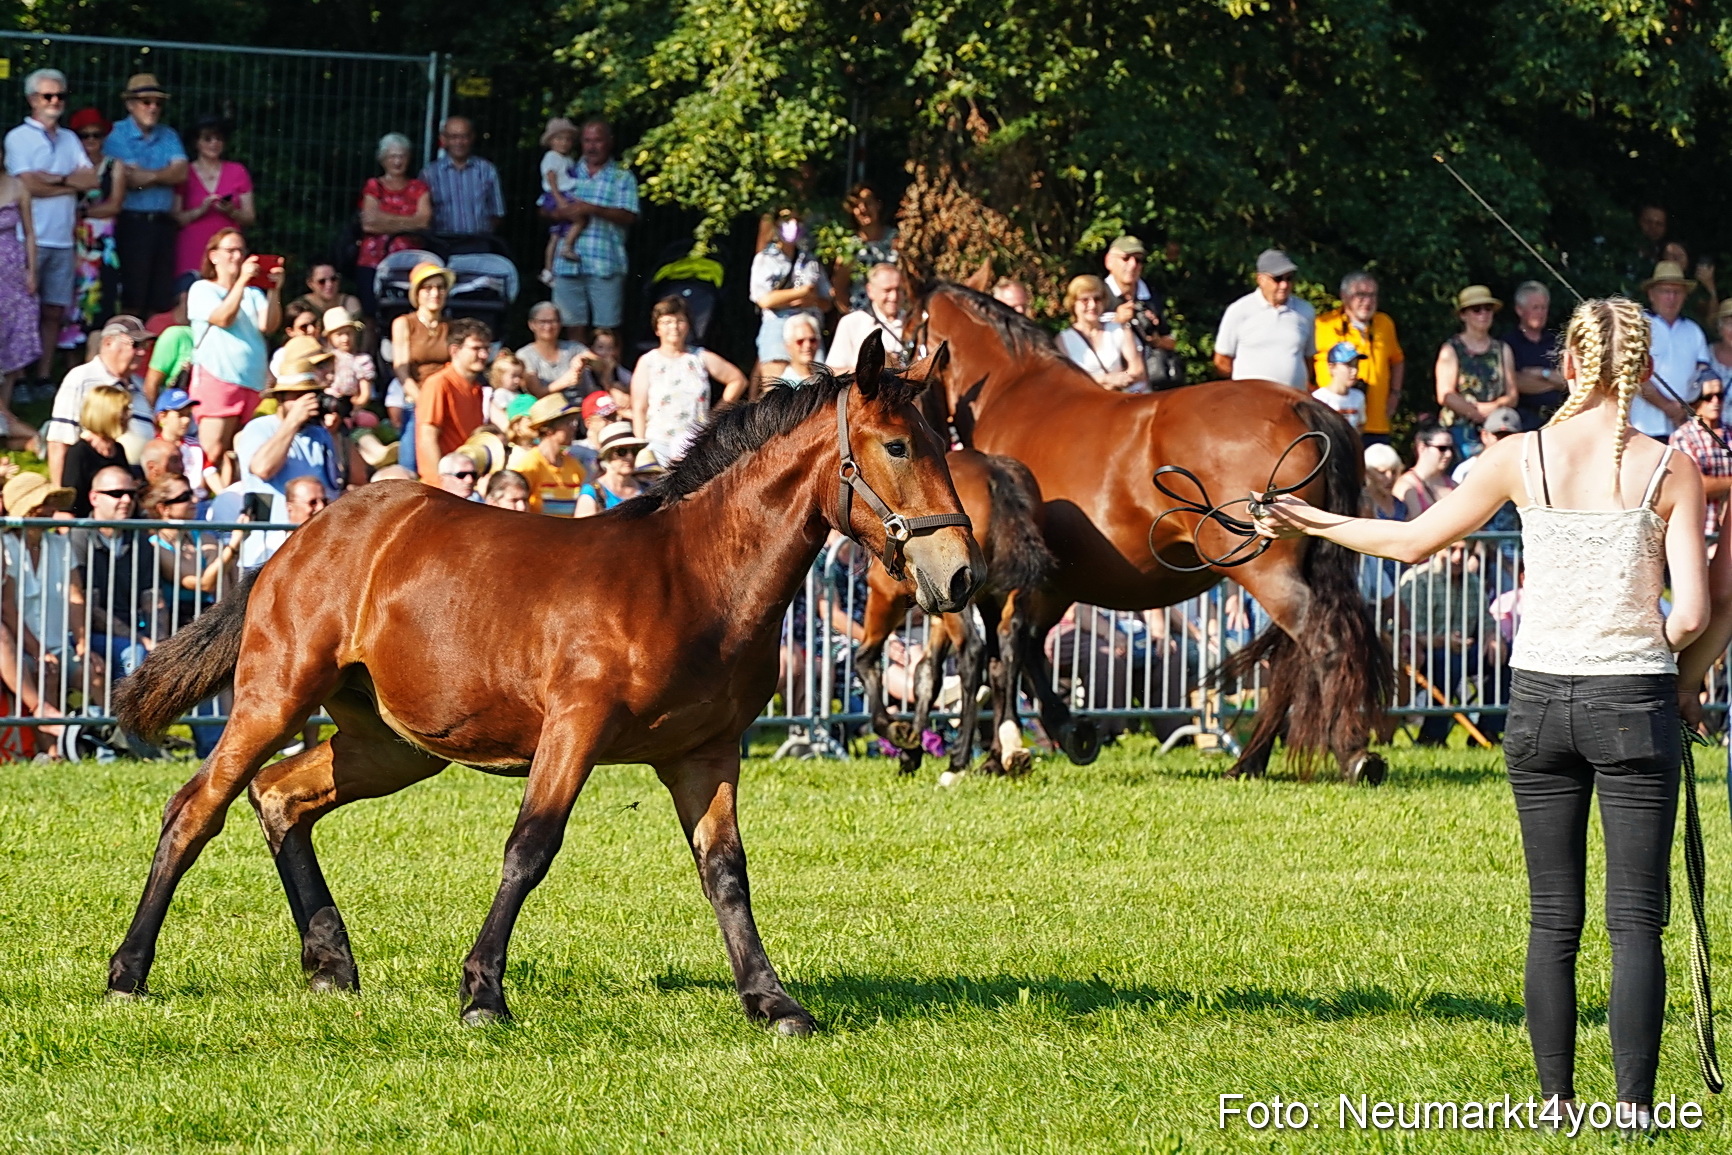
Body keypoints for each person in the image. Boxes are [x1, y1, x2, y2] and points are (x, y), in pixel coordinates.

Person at [1257, 295, 1708, 1132]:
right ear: (1644, 372)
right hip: (1631, 698)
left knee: (1553, 916)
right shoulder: (1669, 465)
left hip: (1538, 701)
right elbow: (1688, 616)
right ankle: (1636, 1113)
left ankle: (1554, 1105)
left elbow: (1409, 542)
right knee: (1636, 919)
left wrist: (1312, 516)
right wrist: (1673, 666)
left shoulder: (1516, 455)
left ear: (1569, 366)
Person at [5, 68, 96, 394]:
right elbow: (26, 185)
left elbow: (91, 180)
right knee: (23, 312)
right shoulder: (18, 137)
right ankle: (17, 380)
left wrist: (52, 179)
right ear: (32, 99)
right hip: (28, 238)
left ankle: (43, 377)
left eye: (60, 95)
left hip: (63, 237)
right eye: (48, 96)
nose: (55, 101)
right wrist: (68, 182)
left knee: (54, 310)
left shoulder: (71, 138)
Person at [232, 338, 339, 567]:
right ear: (280, 398)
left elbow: (341, 483)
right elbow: (262, 468)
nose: (305, 402)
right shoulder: (259, 428)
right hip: (265, 549)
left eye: (310, 395)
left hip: (310, 550)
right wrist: (291, 423)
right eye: (297, 395)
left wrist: (339, 430)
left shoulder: (319, 435)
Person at [189, 228, 281, 485]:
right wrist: (241, 281)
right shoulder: (202, 289)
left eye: (241, 250)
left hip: (251, 382)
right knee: (213, 450)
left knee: (243, 449)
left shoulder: (253, 294)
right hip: (218, 377)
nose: (237, 256)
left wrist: (274, 289)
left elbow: (269, 325)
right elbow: (223, 318)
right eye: (231, 250)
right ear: (214, 256)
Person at [542, 117, 638, 341]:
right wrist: (557, 213)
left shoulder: (621, 176)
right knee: (571, 328)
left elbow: (630, 215)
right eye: (587, 141)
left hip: (605, 262)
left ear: (610, 142)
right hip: (566, 266)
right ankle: (579, 376)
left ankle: (606, 376)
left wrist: (592, 209)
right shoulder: (568, 169)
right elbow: (542, 208)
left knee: (607, 331)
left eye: (598, 141)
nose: (592, 146)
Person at [103, 74, 187, 318]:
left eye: (158, 103)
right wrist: (163, 174)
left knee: (160, 299)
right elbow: (127, 179)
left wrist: (145, 177)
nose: (153, 108)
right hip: (132, 222)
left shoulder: (169, 134)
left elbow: (181, 173)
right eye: (146, 102)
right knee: (132, 295)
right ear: (130, 104)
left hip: (163, 224)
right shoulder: (115, 134)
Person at [630, 296, 747, 463]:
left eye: (679, 321)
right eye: (667, 322)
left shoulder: (699, 357)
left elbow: (737, 380)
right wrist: (640, 448)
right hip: (657, 444)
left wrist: (715, 415)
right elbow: (639, 408)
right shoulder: (648, 362)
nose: (674, 327)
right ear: (657, 328)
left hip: (694, 443)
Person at [45, 315, 156, 484]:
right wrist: (62, 498)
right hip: (94, 480)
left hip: (137, 482)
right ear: (108, 343)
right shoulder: (81, 378)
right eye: (135, 344)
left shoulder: (140, 386)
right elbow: (59, 440)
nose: (142, 352)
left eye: (145, 346)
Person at [70, 464, 153, 678]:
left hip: (134, 633)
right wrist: (142, 640)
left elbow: (153, 598)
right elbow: (91, 609)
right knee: (134, 654)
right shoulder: (78, 537)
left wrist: (160, 641)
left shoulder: (139, 539)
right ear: (94, 498)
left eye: (131, 494)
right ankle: (131, 713)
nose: (126, 500)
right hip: (89, 634)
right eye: (116, 494)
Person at [1311, 271, 1404, 443]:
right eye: (1360, 295)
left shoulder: (1384, 323)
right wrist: (1312, 395)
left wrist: (1395, 395)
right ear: (1344, 296)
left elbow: (1397, 360)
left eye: (1372, 295)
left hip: (1376, 421)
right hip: (1334, 420)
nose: (1367, 301)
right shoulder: (1324, 324)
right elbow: (1305, 361)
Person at [1435, 285, 1519, 458]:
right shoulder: (1451, 349)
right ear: (1463, 315)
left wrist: (1493, 408)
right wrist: (1474, 412)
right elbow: (1445, 394)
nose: (1483, 314)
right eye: (1476, 309)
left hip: (1496, 429)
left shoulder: (1502, 349)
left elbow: (1512, 395)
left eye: (1488, 309)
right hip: (1458, 431)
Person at [1213, 249, 1316, 387]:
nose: (1284, 285)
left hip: (1293, 400)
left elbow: (1308, 358)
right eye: (1277, 279)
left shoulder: (1305, 311)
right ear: (1260, 279)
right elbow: (1222, 362)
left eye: (1289, 278)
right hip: (1250, 400)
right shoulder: (1239, 310)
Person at [67, 107, 124, 350]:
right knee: (72, 306)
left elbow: (115, 205)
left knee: (104, 300)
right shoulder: (69, 165)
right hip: (73, 244)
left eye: (96, 135)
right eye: (84, 135)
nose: (91, 140)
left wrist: (82, 213)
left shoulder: (114, 166)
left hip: (104, 247)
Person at [749, 210, 830, 382]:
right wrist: (802, 293)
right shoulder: (765, 259)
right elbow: (764, 299)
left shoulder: (810, 260)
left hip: (809, 328)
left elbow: (827, 302)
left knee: (817, 389)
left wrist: (809, 299)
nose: (793, 223)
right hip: (776, 328)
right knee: (777, 394)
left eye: (797, 218)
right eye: (786, 219)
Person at [356, 133, 431, 317]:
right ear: (382, 159)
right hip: (373, 261)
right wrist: (408, 222)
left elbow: (424, 222)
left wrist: (385, 220)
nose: (397, 161)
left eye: (402, 156)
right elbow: (369, 224)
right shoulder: (374, 186)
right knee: (371, 315)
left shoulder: (419, 187)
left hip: (410, 263)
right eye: (392, 156)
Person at [1636, 260, 1712, 439]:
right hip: (1642, 428)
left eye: (1677, 292)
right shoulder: (1638, 326)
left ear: (1685, 295)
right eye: (1665, 291)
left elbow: (1703, 376)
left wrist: (1688, 409)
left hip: (1683, 432)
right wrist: (1668, 407)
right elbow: (1633, 374)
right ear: (1651, 294)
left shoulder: (1693, 331)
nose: (1671, 297)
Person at [171, 114, 252, 277]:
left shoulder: (237, 171)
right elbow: (176, 217)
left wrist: (231, 211)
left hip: (228, 252)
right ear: (197, 143)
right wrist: (201, 210)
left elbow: (250, 217)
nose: (214, 143)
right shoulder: (185, 172)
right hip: (192, 248)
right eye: (207, 139)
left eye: (219, 138)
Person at [414, 317, 490, 482]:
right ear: (454, 351)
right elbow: (427, 438)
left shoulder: (477, 388)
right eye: (476, 348)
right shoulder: (438, 383)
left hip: (466, 480)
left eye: (486, 348)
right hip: (443, 485)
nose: (483, 355)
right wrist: (442, 481)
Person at [1102, 235, 1180, 388]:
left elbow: (1172, 342)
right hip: (1109, 383)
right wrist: (1116, 321)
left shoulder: (1150, 297)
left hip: (1147, 384)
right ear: (1109, 261)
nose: (1132, 265)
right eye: (1126, 258)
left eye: (1138, 260)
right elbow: (1081, 336)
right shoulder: (1096, 296)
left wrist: (1156, 340)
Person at [0, 157, 40, 440]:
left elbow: (28, 232)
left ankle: (7, 405)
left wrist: (31, 271)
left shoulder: (17, 186)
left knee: (15, 333)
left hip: (13, 271)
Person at [1667, 368, 1732, 539]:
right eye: (1708, 397)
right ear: (1695, 401)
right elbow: (1697, 485)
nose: (1716, 401)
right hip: (1700, 531)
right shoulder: (1682, 437)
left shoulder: (1730, 433)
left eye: (1720, 395)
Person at [1056, 275, 1145, 391]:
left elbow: (1137, 369)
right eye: (1085, 300)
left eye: (1097, 299)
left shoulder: (1119, 330)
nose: (1092, 305)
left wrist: (1121, 378)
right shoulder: (1063, 340)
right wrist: (1105, 379)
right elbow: (1065, 379)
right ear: (1073, 303)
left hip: (1120, 399)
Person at [420, 116, 502, 238]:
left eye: (464, 136)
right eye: (453, 137)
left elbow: (497, 213)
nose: (459, 142)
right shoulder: (429, 173)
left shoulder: (487, 170)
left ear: (472, 137)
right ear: (444, 139)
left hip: (478, 242)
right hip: (441, 243)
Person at [508, 391, 588, 516]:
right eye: (568, 423)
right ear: (549, 430)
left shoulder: (574, 465)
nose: (574, 427)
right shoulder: (529, 465)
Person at [62, 384, 134, 517]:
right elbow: (69, 505)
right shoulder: (79, 452)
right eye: (123, 410)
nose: (128, 415)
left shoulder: (118, 450)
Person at [830, 184, 899, 314]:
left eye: (868, 203)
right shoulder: (850, 247)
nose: (863, 209)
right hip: (862, 314)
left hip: (894, 315)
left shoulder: (896, 240)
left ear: (878, 205)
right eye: (857, 206)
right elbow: (839, 288)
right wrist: (851, 316)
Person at [827, 263, 909, 371]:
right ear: (870, 290)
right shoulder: (852, 322)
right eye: (887, 290)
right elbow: (834, 371)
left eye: (898, 289)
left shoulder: (913, 322)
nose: (894, 297)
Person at [1506, 280, 1564, 431]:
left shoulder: (1557, 341)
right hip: (1523, 420)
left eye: (1544, 308)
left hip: (1558, 419)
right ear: (1519, 310)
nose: (1541, 313)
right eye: (1535, 308)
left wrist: (1541, 373)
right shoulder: (1509, 343)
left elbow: (1568, 380)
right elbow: (1516, 383)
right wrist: (1554, 380)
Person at [152, 386, 218, 500]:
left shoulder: (195, 447)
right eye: (180, 415)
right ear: (162, 417)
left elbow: (211, 475)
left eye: (188, 415)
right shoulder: (153, 448)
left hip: (198, 503)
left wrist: (226, 496)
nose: (186, 420)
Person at [536, 117, 581, 281]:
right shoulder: (552, 157)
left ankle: (548, 270)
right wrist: (558, 198)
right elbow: (551, 178)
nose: (564, 143)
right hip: (558, 196)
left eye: (568, 140)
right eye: (559, 139)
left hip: (564, 194)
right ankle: (567, 247)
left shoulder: (567, 159)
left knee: (555, 236)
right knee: (580, 218)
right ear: (550, 141)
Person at [575, 421, 646, 515]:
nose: (630, 457)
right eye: (622, 451)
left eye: (634, 451)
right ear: (607, 456)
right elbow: (583, 529)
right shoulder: (593, 492)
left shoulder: (647, 490)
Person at [515, 301, 586, 391]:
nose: (548, 327)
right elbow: (536, 392)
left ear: (560, 324)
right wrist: (566, 380)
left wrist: (584, 359)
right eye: (542, 322)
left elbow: (599, 362)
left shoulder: (574, 348)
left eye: (553, 321)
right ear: (532, 325)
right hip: (545, 403)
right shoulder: (524, 355)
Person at [1392, 422, 1457, 515]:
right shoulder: (1406, 486)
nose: (1448, 454)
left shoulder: (1453, 485)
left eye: (1451, 448)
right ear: (1422, 447)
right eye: (1442, 448)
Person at [322, 307, 374, 416]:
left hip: (351, 403)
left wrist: (358, 405)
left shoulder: (362, 360)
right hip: (329, 401)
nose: (345, 338)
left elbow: (365, 392)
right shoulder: (327, 358)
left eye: (348, 333)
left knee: (368, 419)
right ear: (330, 338)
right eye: (339, 335)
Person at [1312, 342, 1367, 430]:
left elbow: (1360, 427)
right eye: (1348, 365)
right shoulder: (1319, 398)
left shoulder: (1358, 397)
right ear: (1332, 367)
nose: (1354, 371)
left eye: (1356, 365)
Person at [583, 328, 633, 408]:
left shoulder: (617, 369)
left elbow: (633, 385)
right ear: (591, 349)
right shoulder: (586, 372)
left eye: (610, 348)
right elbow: (594, 394)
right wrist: (607, 374)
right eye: (600, 347)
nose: (605, 353)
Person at [779, 314, 823, 385]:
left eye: (812, 340)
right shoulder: (784, 386)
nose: (808, 345)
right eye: (800, 341)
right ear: (788, 346)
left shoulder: (827, 378)